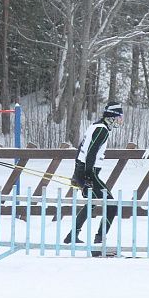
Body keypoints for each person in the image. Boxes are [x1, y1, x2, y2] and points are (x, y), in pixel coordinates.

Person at [64, 101, 124, 245]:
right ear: (112, 116)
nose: (120, 120)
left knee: (92, 202)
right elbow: (90, 153)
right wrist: (88, 177)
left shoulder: (94, 126)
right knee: (112, 205)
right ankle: (100, 239)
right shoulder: (102, 129)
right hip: (89, 172)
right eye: (119, 117)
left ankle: (72, 235)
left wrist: (77, 174)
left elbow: (80, 150)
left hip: (83, 170)